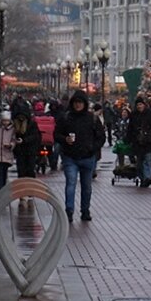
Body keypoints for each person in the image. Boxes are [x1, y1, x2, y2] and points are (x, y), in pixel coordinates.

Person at [55, 89, 104, 222]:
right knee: (71, 183)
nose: (78, 105)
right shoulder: (66, 117)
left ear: (85, 104)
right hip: (70, 157)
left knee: (86, 186)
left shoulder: (92, 118)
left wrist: (92, 148)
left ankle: (85, 210)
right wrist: (65, 139)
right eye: (76, 102)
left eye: (80, 102)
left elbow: (101, 137)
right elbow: (56, 134)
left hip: (88, 157)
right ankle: (69, 210)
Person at [125, 96, 151, 188]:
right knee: (139, 163)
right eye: (138, 105)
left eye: (141, 104)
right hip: (138, 142)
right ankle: (143, 178)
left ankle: (148, 178)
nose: (139, 106)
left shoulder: (150, 113)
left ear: (144, 104)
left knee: (147, 161)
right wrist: (128, 139)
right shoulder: (134, 114)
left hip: (148, 142)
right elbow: (130, 128)